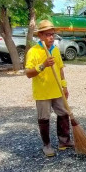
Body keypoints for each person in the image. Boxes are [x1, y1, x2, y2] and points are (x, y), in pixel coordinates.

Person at [25, 20, 73, 157]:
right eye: (47, 34)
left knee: (64, 114)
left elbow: (60, 70)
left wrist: (64, 86)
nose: (51, 37)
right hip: (42, 92)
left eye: (52, 34)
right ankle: (46, 145)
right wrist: (43, 65)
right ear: (40, 35)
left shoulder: (55, 50)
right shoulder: (33, 51)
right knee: (44, 119)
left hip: (57, 90)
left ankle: (64, 141)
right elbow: (28, 73)